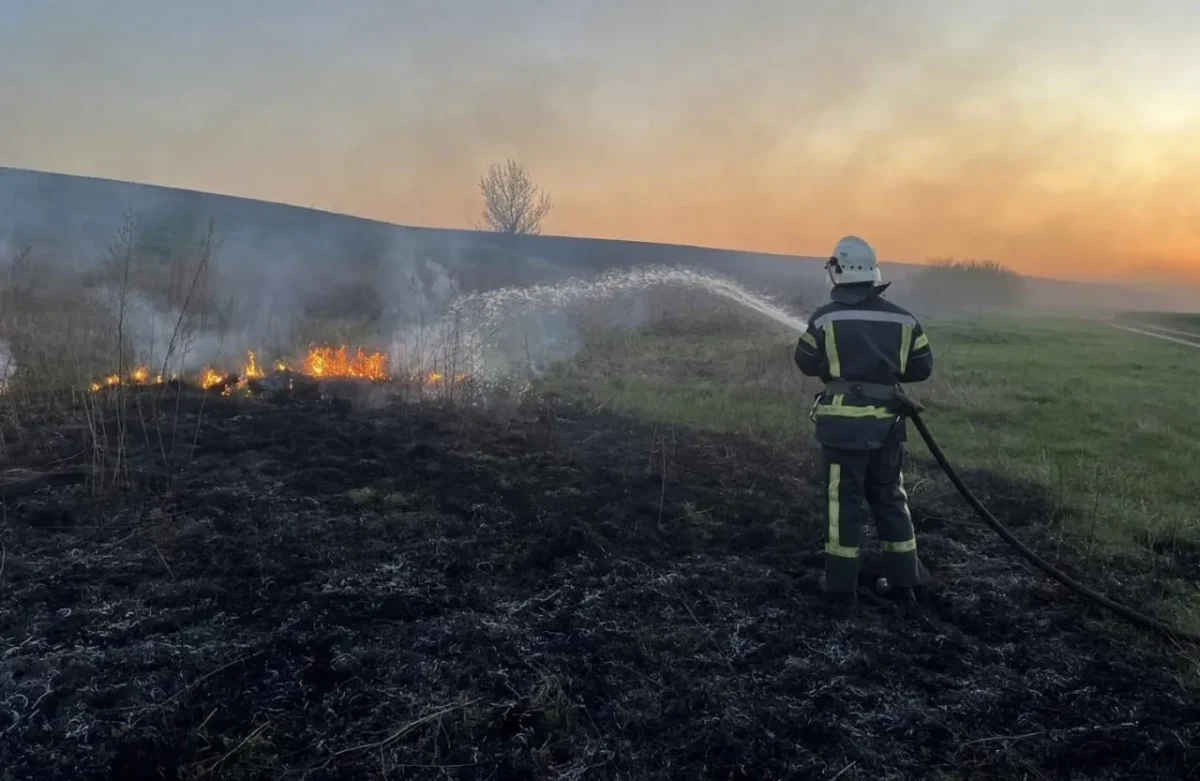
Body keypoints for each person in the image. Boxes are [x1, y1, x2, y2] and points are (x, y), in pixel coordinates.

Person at [793, 235, 933, 617]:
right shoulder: (904, 318)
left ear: (837, 271)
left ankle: (840, 588)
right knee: (890, 498)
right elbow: (920, 368)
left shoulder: (825, 317)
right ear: (872, 274)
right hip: (888, 428)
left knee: (844, 504)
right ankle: (905, 583)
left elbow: (804, 361)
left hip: (842, 429)